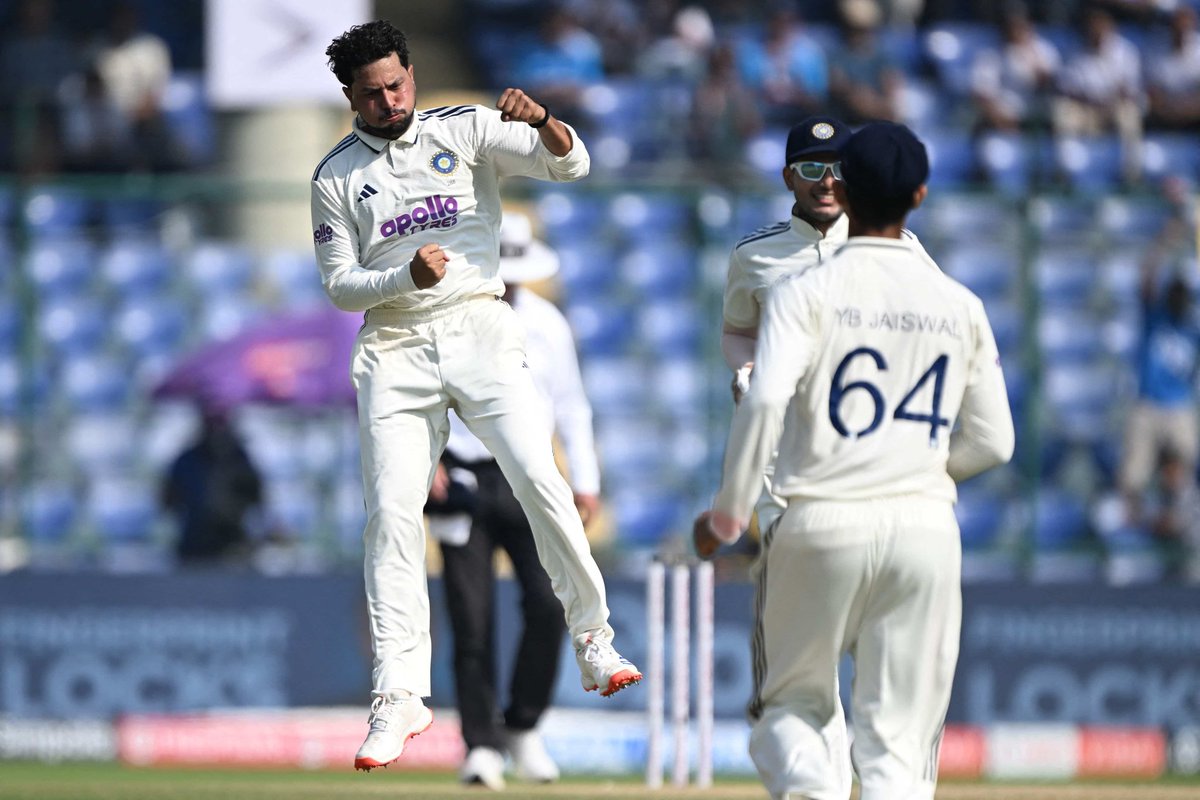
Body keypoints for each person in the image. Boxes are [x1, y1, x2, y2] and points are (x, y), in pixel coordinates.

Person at [310, 20, 640, 773]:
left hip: (478, 323)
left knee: (539, 477)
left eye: (398, 84)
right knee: (390, 515)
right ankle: (398, 693)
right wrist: (403, 277)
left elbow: (574, 165)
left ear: (412, 75)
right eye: (373, 93)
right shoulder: (334, 176)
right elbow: (340, 285)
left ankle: (593, 636)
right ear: (351, 97)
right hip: (394, 339)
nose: (390, 101)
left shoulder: (463, 129)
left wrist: (544, 122)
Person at [694, 122, 1014, 800]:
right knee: (899, 745)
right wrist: (910, 470)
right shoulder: (959, 300)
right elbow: (995, 442)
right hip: (924, 525)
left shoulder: (806, 292)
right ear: (919, 195)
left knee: (791, 707)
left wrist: (727, 513)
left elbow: (763, 401)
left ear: (852, 188)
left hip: (816, 509)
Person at [425, 211, 600, 790]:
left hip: (530, 475)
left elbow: (571, 404)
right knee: (470, 619)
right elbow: (419, 399)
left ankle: (523, 724)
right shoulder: (444, 317)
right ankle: (480, 745)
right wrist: (428, 461)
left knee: (549, 605)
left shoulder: (548, 324)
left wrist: (586, 481)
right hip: (463, 477)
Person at [161, 408, 263, 565]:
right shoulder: (186, 460)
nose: (217, 431)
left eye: (220, 424)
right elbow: (167, 500)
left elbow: (257, 500)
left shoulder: (240, 460)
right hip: (194, 546)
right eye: (212, 424)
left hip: (233, 547)